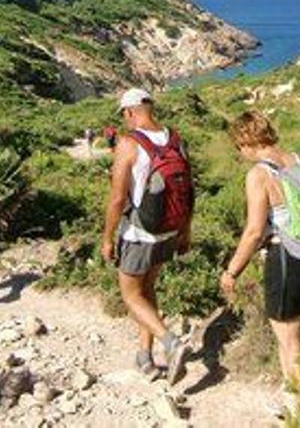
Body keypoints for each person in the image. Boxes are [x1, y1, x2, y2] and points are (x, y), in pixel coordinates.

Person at [220, 111, 300, 388]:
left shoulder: (259, 174)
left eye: (238, 147)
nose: (240, 153)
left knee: (288, 341)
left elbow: (254, 232)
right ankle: (298, 392)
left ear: (246, 142)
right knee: (298, 332)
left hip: (287, 258)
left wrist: (232, 271)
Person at [101, 88, 194, 384]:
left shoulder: (128, 143)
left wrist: (107, 238)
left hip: (140, 232)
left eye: (124, 114)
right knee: (148, 289)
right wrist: (185, 231)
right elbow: (189, 189)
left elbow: (117, 199)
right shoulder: (175, 139)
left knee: (130, 295)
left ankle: (171, 342)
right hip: (170, 230)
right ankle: (145, 357)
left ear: (129, 111)